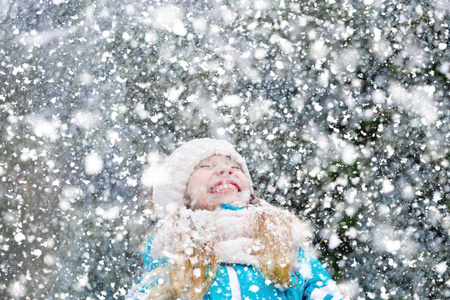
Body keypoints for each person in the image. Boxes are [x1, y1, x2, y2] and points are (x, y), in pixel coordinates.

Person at [126, 138, 342, 300]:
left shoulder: (283, 245)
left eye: (236, 167)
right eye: (206, 166)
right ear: (180, 195)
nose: (225, 169)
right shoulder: (174, 258)